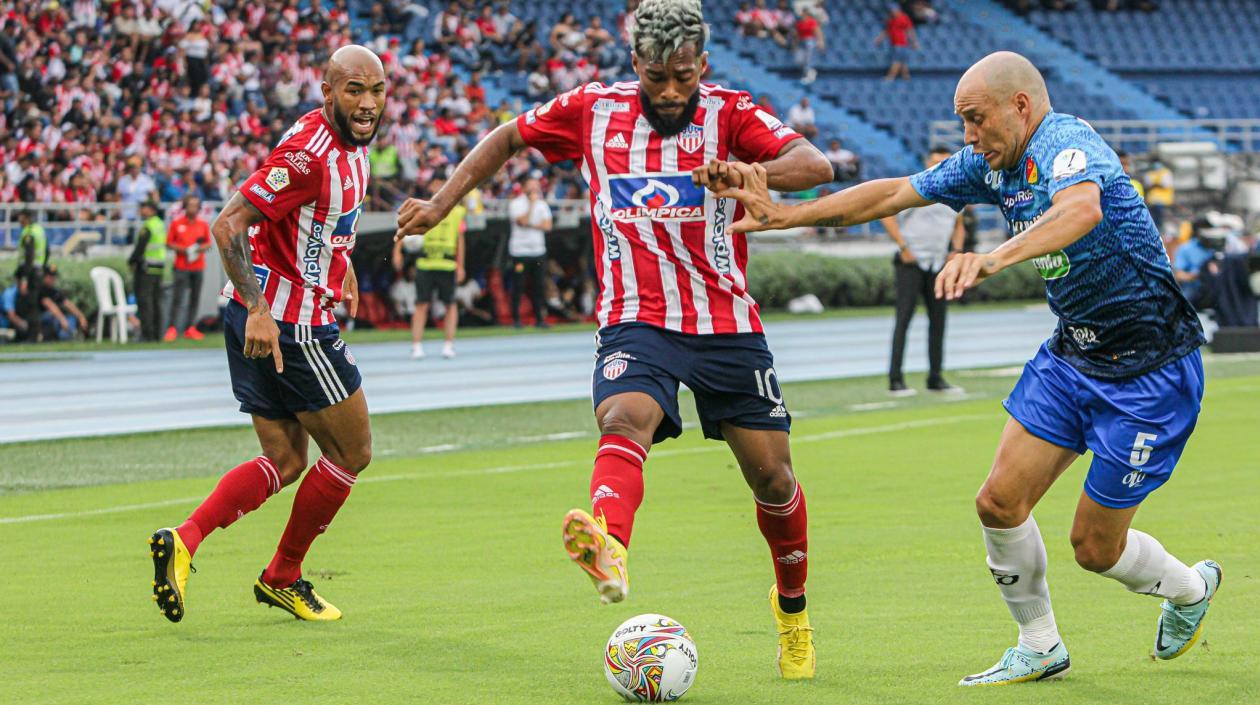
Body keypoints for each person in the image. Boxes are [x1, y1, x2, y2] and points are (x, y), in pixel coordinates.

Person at [716, 51, 1217, 686]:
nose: (969, 137)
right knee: (998, 502)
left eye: (976, 120)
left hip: (1153, 373)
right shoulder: (990, 165)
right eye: (963, 124)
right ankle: (1039, 644)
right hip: (1073, 357)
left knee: (1094, 549)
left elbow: (1081, 212)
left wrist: (991, 257)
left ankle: (1189, 587)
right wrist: (789, 216)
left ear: (1021, 107)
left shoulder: (1068, 141)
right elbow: (895, 192)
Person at [394, 0, 833, 679]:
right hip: (636, 315)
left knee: (773, 477)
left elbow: (816, 164)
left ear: (702, 68)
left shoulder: (732, 113)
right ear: (635, 65)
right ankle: (610, 546)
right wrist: (441, 202)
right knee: (622, 417)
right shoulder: (592, 111)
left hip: (724, 322)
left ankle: (794, 616)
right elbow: (508, 136)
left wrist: (751, 173)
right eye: (655, 75)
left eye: (682, 76)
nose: (667, 90)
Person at [148, 45, 385, 624]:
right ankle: (283, 574)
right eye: (354, 89)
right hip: (291, 324)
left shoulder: (344, 148)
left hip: (264, 314)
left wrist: (338, 261)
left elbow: (311, 223)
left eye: (377, 90)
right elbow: (227, 224)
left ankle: (185, 539)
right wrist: (260, 308)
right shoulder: (308, 154)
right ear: (327, 92)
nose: (368, 103)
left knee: (282, 457)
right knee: (353, 452)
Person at [882, 146, 965, 395]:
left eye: (944, 161)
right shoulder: (917, 187)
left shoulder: (955, 193)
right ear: (927, 163)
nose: (940, 166)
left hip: (938, 263)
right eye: (936, 161)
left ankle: (935, 377)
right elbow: (887, 215)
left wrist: (956, 250)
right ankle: (896, 379)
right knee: (903, 319)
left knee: (939, 321)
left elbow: (959, 225)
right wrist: (903, 246)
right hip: (911, 262)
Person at [393, 180, 465, 359]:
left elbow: (460, 239)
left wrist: (461, 265)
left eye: (442, 184)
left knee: (450, 304)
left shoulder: (457, 211)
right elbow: (405, 227)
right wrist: (397, 251)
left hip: (447, 264)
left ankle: (449, 345)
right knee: (421, 304)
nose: (438, 188)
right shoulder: (421, 208)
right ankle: (416, 346)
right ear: (430, 186)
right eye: (435, 184)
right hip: (425, 262)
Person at [164, 194, 213, 341]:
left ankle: (190, 328)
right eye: (190, 205)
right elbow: (168, 243)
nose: (193, 208)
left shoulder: (202, 224)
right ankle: (172, 328)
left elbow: (208, 243)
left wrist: (199, 249)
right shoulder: (176, 223)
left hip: (197, 266)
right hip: (181, 265)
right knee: (178, 298)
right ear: (185, 206)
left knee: (194, 298)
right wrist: (184, 250)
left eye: (195, 205)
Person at [508, 176, 553, 328]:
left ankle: (539, 319)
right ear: (524, 187)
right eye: (531, 185)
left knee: (538, 286)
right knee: (518, 286)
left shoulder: (542, 204)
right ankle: (516, 319)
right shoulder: (516, 203)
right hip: (519, 252)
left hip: (538, 251)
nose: (535, 188)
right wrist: (531, 206)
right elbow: (522, 221)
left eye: (536, 185)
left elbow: (547, 226)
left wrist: (531, 224)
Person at [128, 200, 167, 342]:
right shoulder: (160, 224)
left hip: (146, 269)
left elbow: (140, 248)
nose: (141, 211)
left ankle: (147, 335)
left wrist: (131, 261)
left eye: (143, 208)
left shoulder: (148, 226)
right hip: (158, 268)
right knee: (156, 302)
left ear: (150, 209)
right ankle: (158, 334)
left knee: (145, 303)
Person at [36, 264, 88, 341]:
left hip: (56, 317)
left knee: (71, 317)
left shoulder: (53, 291)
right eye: (50, 277)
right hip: (42, 317)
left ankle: (72, 335)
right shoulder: (40, 289)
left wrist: (81, 317)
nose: (53, 279)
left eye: (54, 277)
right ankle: (65, 336)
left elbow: (67, 303)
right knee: (54, 317)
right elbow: (48, 304)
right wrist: (62, 319)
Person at [873, 3, 918, 81]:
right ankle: (906, 77)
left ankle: (891, 77)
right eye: (890, 11)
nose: (891, 12)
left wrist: (913, 42)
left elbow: (910, 30)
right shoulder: (891, 20)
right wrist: (879, 39)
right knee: (902, 61)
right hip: (895, 43)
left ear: (897, 10)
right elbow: (887, 31)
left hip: (901, 43)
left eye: (893, 10)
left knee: (896, 60)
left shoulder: (904, 18)